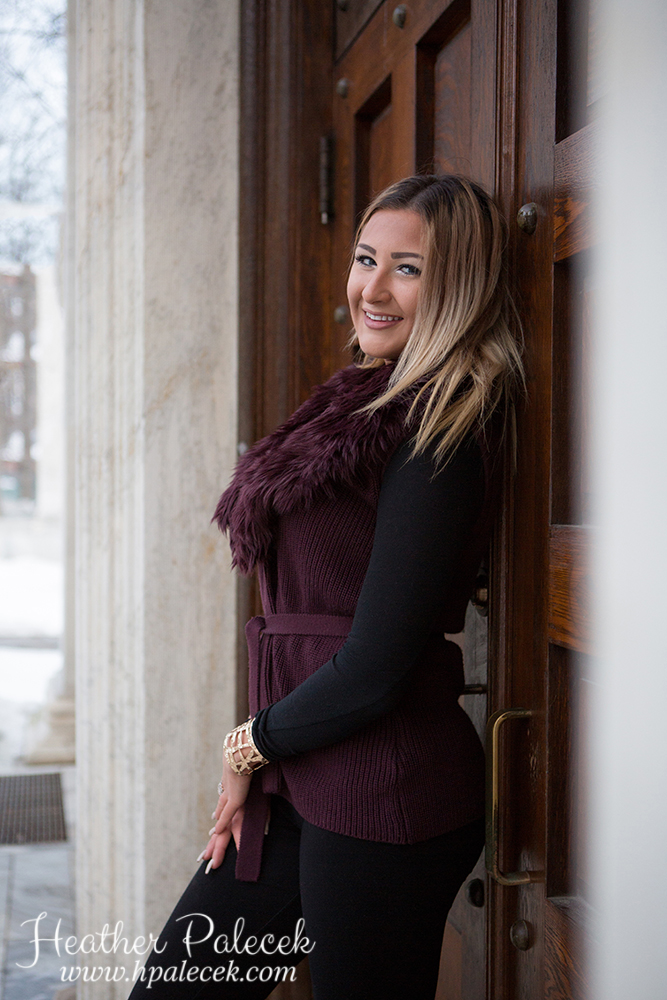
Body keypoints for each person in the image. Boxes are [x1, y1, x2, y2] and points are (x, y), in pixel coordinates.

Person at [127, 174, 524, 1000]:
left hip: (384, 795)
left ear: (459, 284)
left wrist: (246, 743)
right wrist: (263, 754)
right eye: (365, 258)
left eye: (406, 269)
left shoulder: (444, 425)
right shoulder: (358, 407)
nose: (371, 289)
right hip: (302, 776)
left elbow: (375, 663)